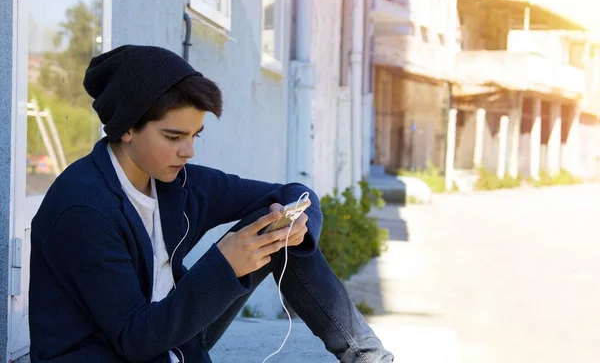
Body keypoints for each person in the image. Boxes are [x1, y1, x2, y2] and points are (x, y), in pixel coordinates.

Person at [28, 45, 394, 362]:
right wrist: (225, 265)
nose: (188, 151)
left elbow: (294, 192)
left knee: (272, 225)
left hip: (175, 339)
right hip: (116, 352)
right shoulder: (84, 209)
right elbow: (134, 340)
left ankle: (370, 359)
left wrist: (298, 224)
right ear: (127, 127)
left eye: (194, 135)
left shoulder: (176, 182)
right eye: (173, 136)